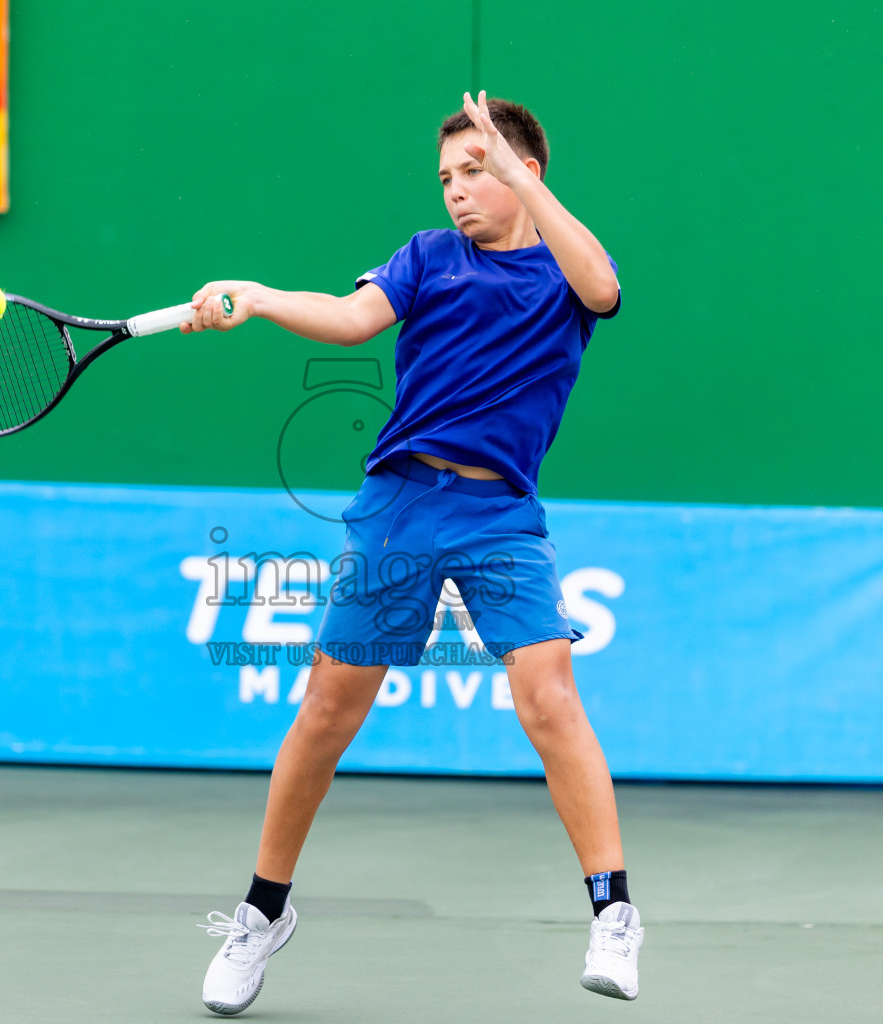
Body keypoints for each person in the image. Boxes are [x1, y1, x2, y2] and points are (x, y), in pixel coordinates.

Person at [183, 91, 640, 1016]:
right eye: (447, 178)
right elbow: (353, 320)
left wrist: (518, 180)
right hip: (398, 507)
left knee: (548, 693)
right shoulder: (429, 259)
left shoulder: (566, 270)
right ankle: (261, 912)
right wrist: (260, 298)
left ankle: (614, 912)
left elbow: (603, 290)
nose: (458, 193)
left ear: (525, 172)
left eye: (477, 172)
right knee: (324, 715)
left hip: (501, 515)